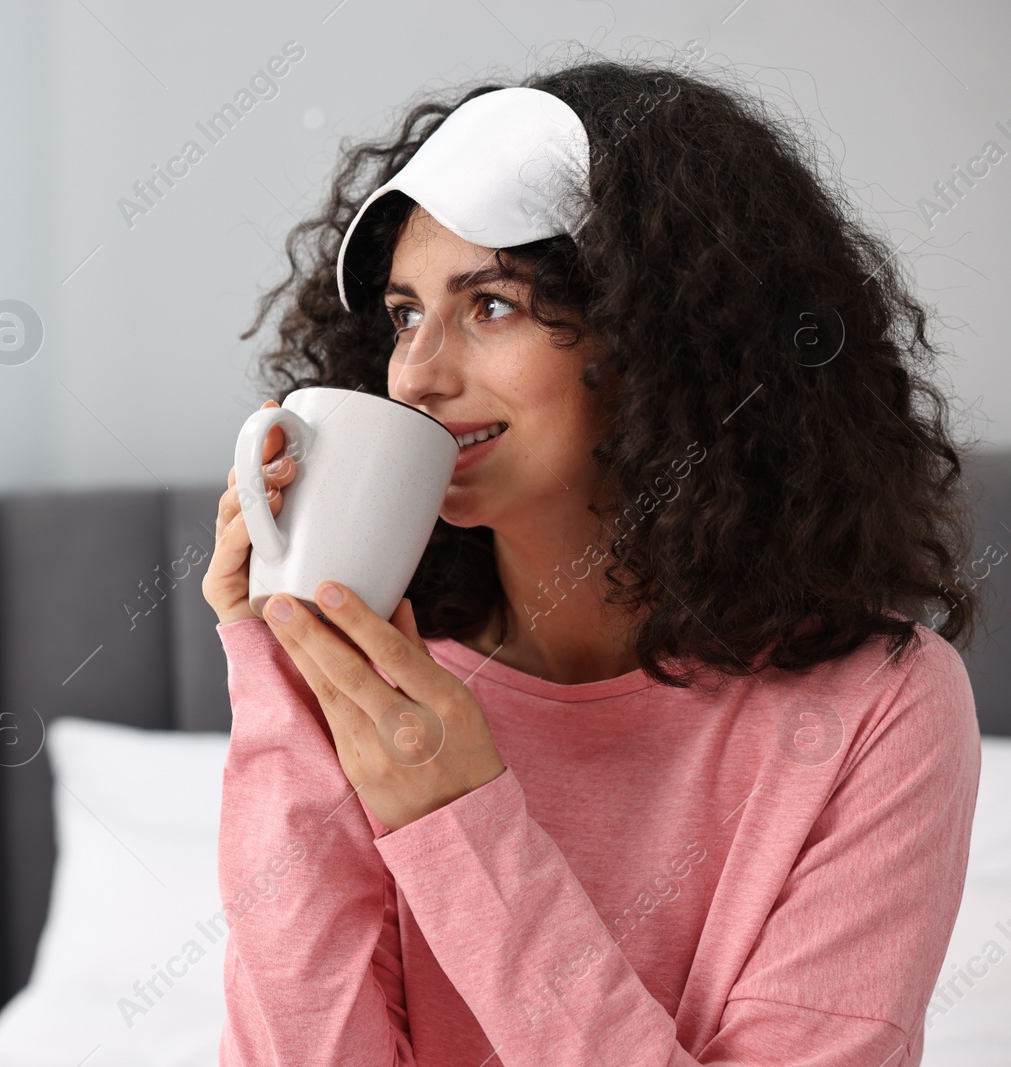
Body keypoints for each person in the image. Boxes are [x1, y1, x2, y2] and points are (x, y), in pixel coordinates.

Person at [200, 56, 983, 1066]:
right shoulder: (389, 681)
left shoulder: (879, 708)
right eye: (403, 315)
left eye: (491, 306)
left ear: (664, 338)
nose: (418, 374)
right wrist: (280, 668)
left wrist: (455, 817)